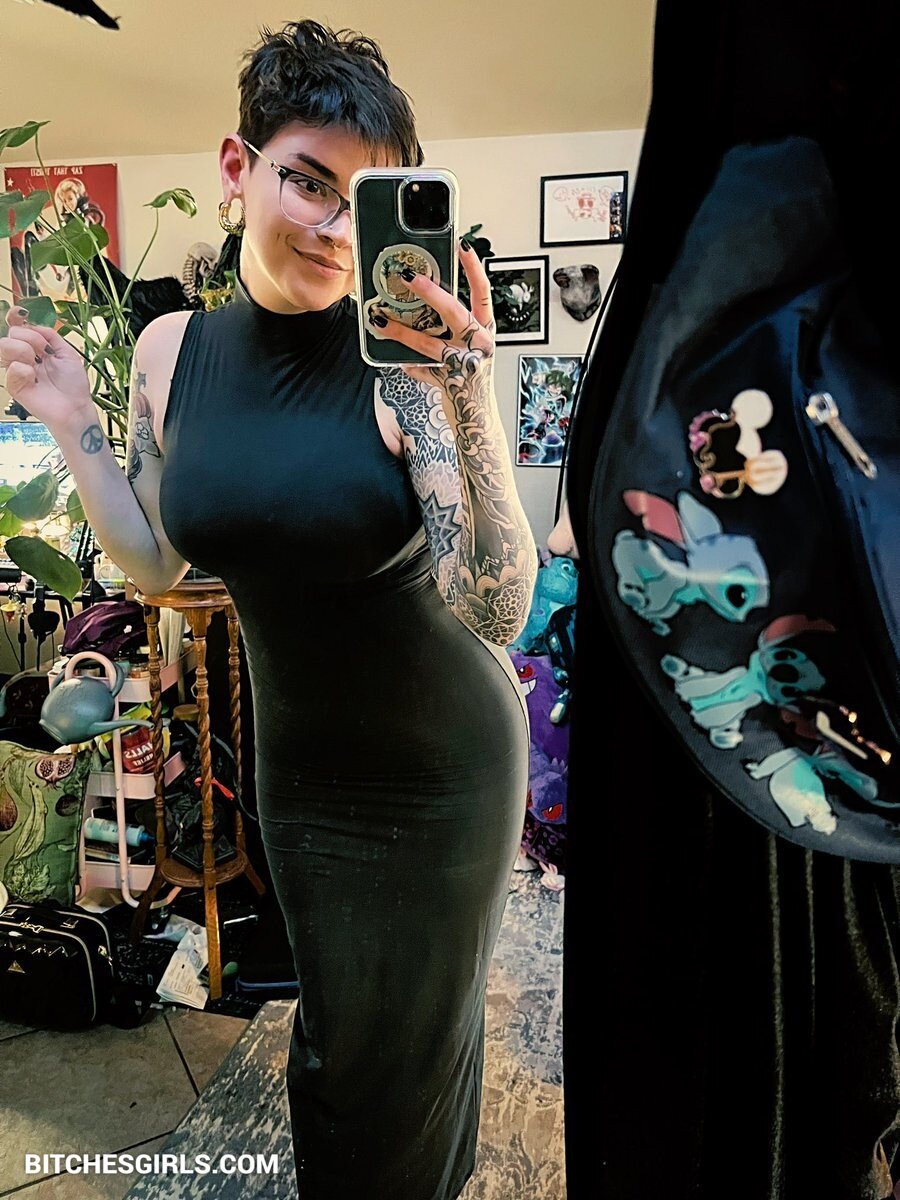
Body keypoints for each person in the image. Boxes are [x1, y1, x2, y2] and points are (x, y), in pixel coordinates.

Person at [0, 21, 536, 1200]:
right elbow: (157, 562)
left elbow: (497, 604)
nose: (337, 230)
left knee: (404, 1059)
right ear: (238, 168)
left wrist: (469, 389)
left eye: (365, 200)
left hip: (439, 770)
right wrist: (71, 422)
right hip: (303, 775)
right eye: (310, 182)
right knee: (335, 1048)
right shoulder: (167, 352)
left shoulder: (401, 369)